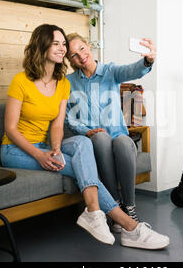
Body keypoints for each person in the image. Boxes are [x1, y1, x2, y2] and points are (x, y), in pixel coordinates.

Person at [0, 24, 169, 250]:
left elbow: (58, 125)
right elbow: (11, 129)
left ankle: (99, 213)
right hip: (16, 149)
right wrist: (41, 155)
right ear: (42, 47)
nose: (64, 49)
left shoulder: (62, 83)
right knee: (89, 158)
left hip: (49, 144)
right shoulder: (24, 81)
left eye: (65, 45)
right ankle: (128, 226)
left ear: (88, 46)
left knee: (83, 144)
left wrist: (56, 149)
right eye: (57, 44)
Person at [65, 33, 155, 233]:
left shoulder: (110, 71)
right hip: (93, 140)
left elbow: (131, 70)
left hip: (118, 136)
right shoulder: (69, 82)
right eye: (73, 55)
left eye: (81, 48)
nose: (80, 56)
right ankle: (113, 206)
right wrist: (87, 131)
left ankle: (129, 208)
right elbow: (68, 118)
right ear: (70, 60)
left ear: (88, 45)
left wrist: (147, 60)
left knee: (123, 143)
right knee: (101, 137)